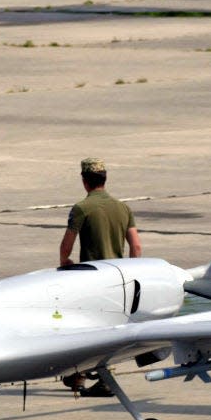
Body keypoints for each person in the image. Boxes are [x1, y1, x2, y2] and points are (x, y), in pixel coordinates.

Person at [59, 158, 142, 396]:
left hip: (90, 281)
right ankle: (101, 379)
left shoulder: (81, 208)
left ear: (85, 181)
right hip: (118, 280)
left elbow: (66, 247)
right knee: (111, 329)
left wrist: (66, 264)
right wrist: (131, 272)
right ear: (104, 179)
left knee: (82, 328)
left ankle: (79, 376)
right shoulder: (123, 208)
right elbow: (136, 247)